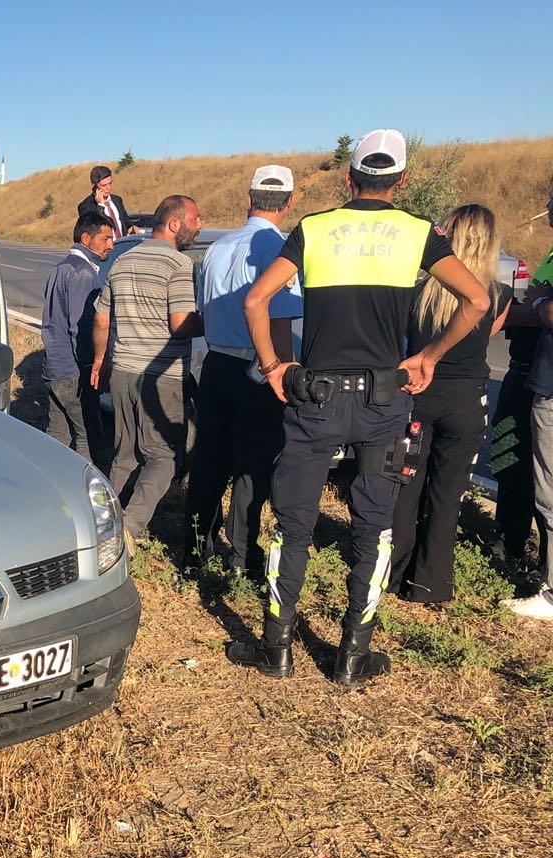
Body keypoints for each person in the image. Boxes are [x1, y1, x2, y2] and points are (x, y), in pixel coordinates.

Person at [229, 129, 489, 685]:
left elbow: (256, 300)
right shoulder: (419, 234)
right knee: (374, 529)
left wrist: (275, 366)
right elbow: (478, 300)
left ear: (348, 178)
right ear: (401, 180)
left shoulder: (313, 229)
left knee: (292, 526)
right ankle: (352, 656)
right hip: (383, 401)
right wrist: (430, 356)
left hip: (315, 398)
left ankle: (276, 650)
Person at [389, 205, 510, 605]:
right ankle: (431, 584)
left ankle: (392, 574)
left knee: (404, 487)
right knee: (447, 495)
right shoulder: (498, 294)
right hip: (466, 402)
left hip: (417, 398)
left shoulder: (416, 290)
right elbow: (481, 337)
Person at [183, 165, 302, 575]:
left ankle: (194, 548)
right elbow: (280, 319)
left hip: (216, 365)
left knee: (209, 460)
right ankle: (241, 556)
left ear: (249, 200)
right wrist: (283, 375)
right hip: (259, 367)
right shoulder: (280, 249)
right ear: (289, 202)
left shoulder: (218, 247)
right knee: (252, 466)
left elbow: (204, 306)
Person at [89, 195, 204, 549]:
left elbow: (101, 318)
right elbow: (181, 323)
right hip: (161, 377)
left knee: (124, 454)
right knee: (165, 456)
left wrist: (100, 361)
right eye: (196, 219)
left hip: (123, 371)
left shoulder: (122, 261)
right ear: (174, 223)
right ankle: (129, 525)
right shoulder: (178, 264)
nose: (199, 225)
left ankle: (98, 524)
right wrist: (217, 320)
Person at [493, 191, 553, 571]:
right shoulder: (548, 256)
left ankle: (534, 553)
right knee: (506, 453)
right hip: (522, 373)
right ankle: (509, 539)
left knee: (538, 470)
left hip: (537, 375)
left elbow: (543, 311)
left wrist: (525, 309)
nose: (547, 207)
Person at [40, 211, 115, 463]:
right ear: (86, 238)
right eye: (105, 238)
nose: (111, 245)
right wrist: (92, 367)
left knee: (56, 437)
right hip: (74, 372)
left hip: (54, 367)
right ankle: (88, 497)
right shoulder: (83, 273)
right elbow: (81, 329)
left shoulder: (61, 268)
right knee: (88, 440)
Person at [76, 166, 137, 239]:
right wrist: (100, 206)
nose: (109, 188)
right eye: (104, 185)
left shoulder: (117, 200)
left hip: (122, 246)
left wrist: (131, 227)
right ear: (94, 186)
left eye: (110, 183)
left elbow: (125, 221)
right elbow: (93, 229)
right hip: (104, 249)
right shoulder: (85, 206)